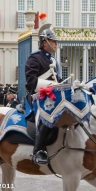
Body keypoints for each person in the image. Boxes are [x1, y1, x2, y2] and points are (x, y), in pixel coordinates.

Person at [25, 22, 62, 164]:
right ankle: (38, 151)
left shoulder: (53, 60)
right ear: (45, 42)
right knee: (48, 117)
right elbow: (31, 82)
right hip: (38, 97)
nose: (56, 44)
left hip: (53, 97)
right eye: (53, 41)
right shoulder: (35, 58)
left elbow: (57, 80)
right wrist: (51, 86)